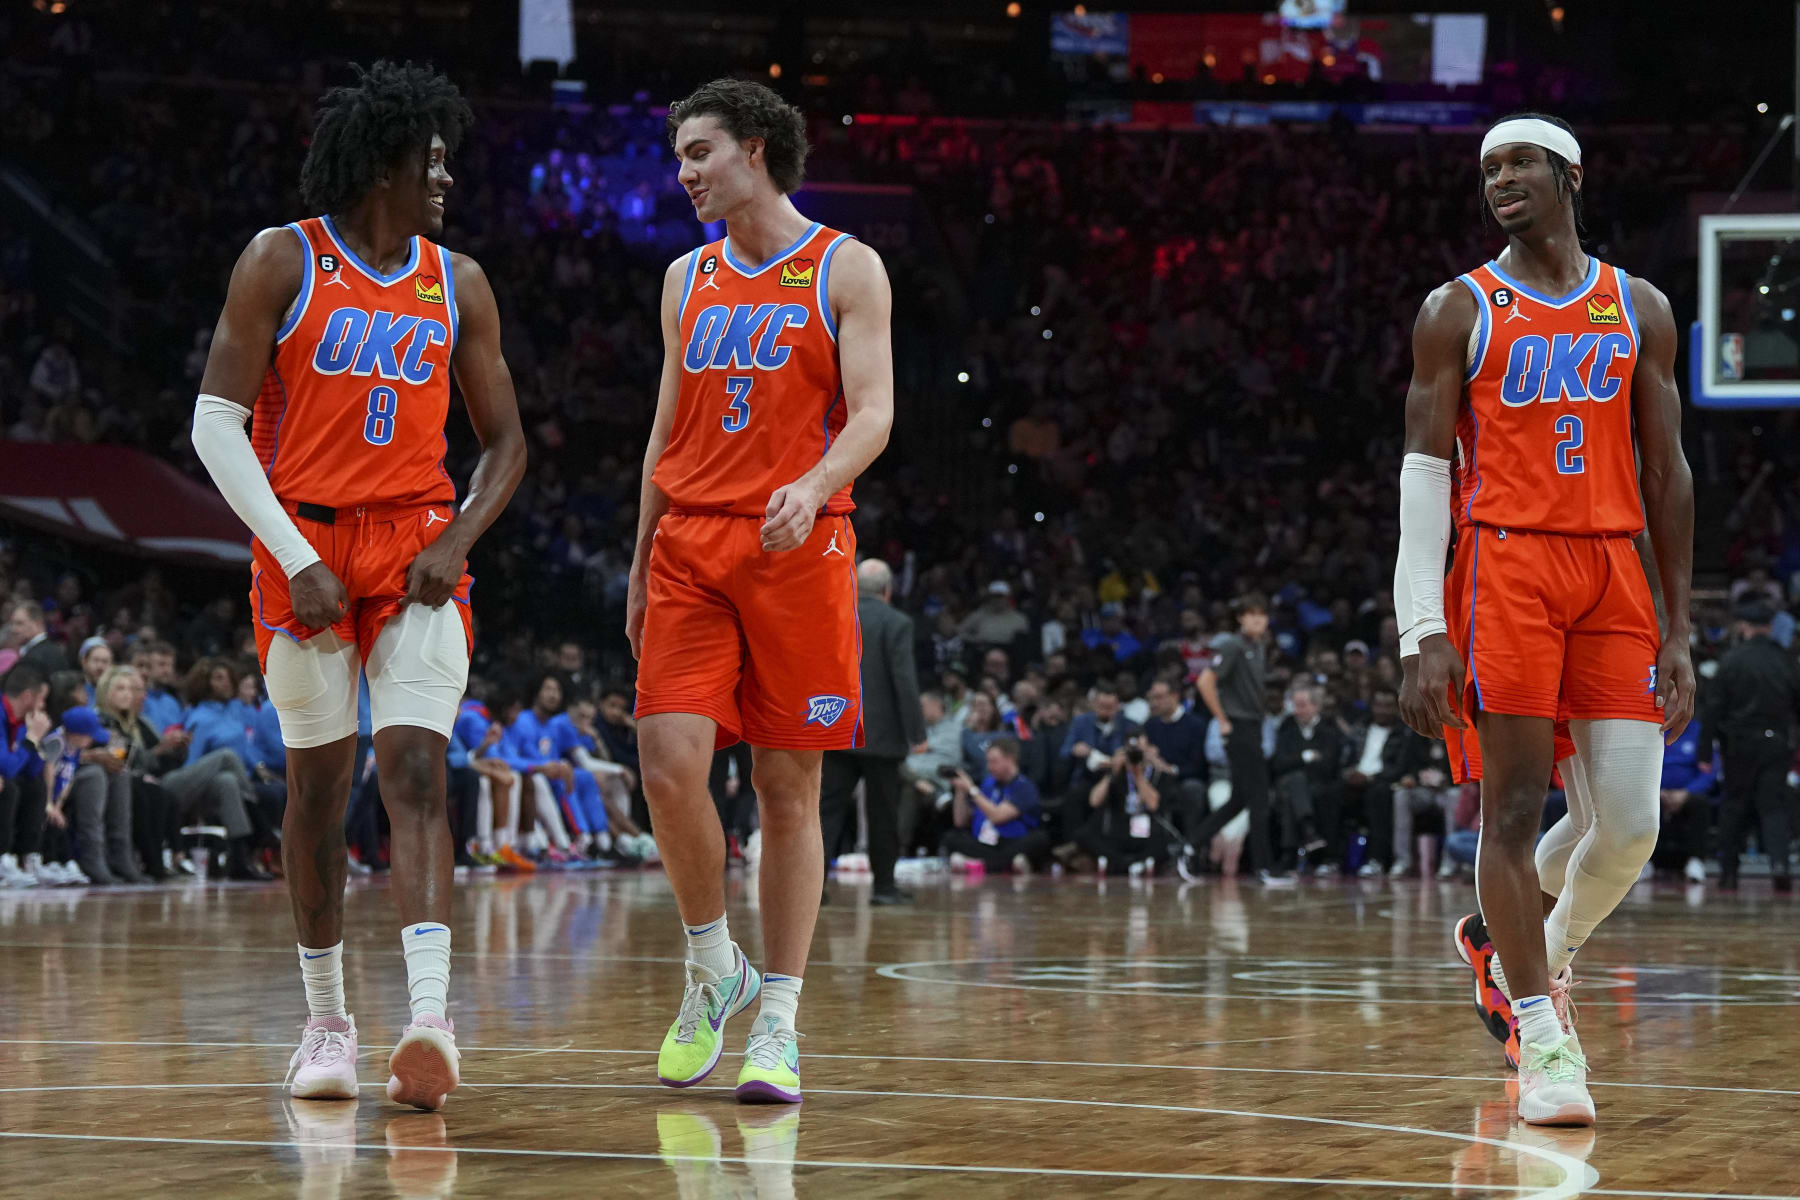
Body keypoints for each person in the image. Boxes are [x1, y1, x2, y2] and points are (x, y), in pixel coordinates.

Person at [189, 62, 526, 1112]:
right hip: (308, 551)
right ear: (387, 160)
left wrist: (459, 539)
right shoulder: (280, 260)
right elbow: (215, 424)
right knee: (319, 795)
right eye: (433, 161)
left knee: (417, 773)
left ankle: (429, 1020)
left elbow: (507, 443)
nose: (446, 181)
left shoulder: (457, 280)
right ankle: (327, 1023)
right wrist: (295, 559)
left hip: (417, 548)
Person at [1395, 113, 1694, 1125]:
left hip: (1613, 568)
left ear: (1569, 173)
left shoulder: (1637, 305)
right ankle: (1543, 1029)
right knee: (1514, 814)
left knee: (1630, 827)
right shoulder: (1457, 308)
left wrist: (1680, 626)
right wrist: (1418, 627)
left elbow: (1667, 472)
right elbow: (1424, 476)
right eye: (1488, 170)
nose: (1500, 181)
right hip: (1506, 564)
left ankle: (1520, 948)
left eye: (1519, 163)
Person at [629, 77, 892, 1105]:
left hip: (799, 546)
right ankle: (713, 966)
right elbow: (662, 434)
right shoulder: (682, 279)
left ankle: (776, 1020)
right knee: (666, 762)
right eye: (680, 157)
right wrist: (639, 560)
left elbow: (872, 414)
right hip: (689, 545)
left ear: (754, 148)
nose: (684, 173)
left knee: (789, 792)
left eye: (698, 153)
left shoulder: (845, 266)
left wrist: (816, 483)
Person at [821, 558, 927, 906]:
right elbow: (904, 680)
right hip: (883, 739)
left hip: (837, 728)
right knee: (884, 815)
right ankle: (884, 888)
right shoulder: (897, 622)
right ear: (888, 590)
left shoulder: (836, 615)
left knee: (826, 812)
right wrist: (917, 732)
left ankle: (812, 889)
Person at [1702, 600, 1800, 890]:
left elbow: (1713, 710)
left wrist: (1705, 750)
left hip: (1738, 744)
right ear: (1769, 627)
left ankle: (1728, 872)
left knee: (1735, 805)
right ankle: (1780, 865)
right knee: (1773, 806)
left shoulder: (1731, 660)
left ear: (1744, 627)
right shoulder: (1786, 661)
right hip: (1777, 743)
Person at [1192, 595, 1283, 882]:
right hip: (1239, 726)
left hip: (1253, 726)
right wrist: (1222, 719)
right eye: (1251, 614)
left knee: (1239, 800)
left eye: (1262, 614)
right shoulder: (1232, 644)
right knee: (1259, 799)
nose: (1258, 620)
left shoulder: (1258, 647)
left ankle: (1186, 847)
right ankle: (1262, 868)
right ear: (1240, 618)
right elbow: (1205, 681)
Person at [942, 739, 1049, 873]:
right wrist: (960, 791)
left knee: (1040, 839)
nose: (989, 767)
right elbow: (960, 821)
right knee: (952, 837)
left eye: (994, 761)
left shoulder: (1024, 787)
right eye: (988, 761)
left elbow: (997, 817)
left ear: (1010, 760)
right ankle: (1005, 864)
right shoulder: (988, 785)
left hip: (1012, 840)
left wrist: (972, 789)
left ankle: (981, 865)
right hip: (985, 843)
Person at [1076, 734, 1174, 874]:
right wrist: (1112, 772)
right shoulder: (1117, 773)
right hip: (1119, 830)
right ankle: (1130, 864)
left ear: (1151, 750)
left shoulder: (1159, 774)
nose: (1135, 756)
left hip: (1148, 831)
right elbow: (1094, 801)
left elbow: (1153, 805)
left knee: (1165, 843)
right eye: (1130, 752)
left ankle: (1126, 864)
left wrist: (1138, 775)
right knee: (1084, 835)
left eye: (1139, 751)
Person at [0, 663, 54, 887]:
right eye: (42, 700)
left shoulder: (22, 721)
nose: (43, 706)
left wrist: (36, 741)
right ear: (28, 696)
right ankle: (2, 858)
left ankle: (27, 857)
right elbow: (7, 768)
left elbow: (30, 769)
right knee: (9, 786)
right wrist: (30, 739)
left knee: (35, 785)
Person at [8, 602, 70, 676]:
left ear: (37, 624)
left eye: (19, 623)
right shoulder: (37, 652)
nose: (13, 629)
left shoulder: (48, 654)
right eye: (12, 624)